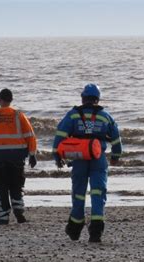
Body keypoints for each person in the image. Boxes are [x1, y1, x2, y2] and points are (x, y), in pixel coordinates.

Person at [52, 83, 122, 243]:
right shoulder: (105, 116)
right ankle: (96, 230)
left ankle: (75, 227)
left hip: (79, 159)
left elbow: (60, 133)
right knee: (98, 193)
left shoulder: (73, 115)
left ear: (83, 98)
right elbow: (116, 137)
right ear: (97, 99)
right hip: (99, 159)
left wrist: (57, 154)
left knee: (78, 193)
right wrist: (116, 155)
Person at [0, 88, 38, 225]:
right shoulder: (18, 115)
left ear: (0, 100)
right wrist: (32, 154)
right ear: (11, 100)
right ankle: (18, 210)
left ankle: (3, 217)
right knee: (16, 184)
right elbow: (30, 136)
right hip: (16, 156)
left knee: (0, 186)